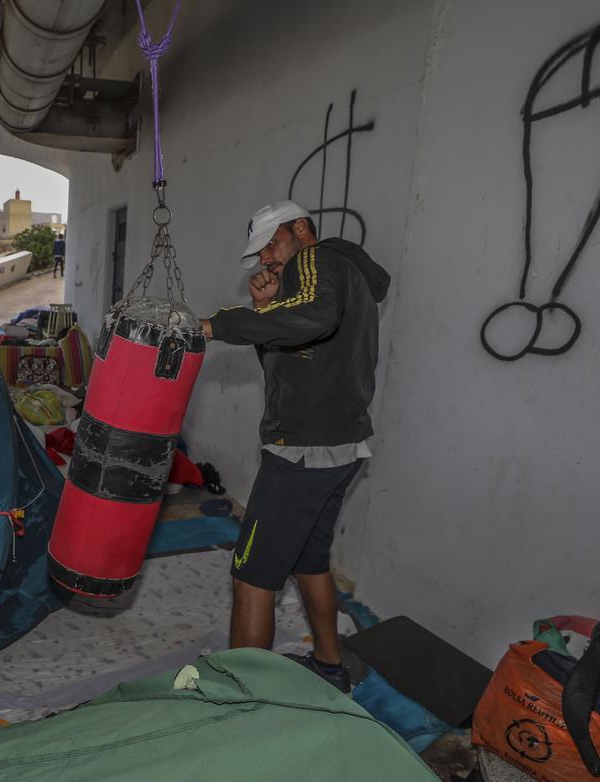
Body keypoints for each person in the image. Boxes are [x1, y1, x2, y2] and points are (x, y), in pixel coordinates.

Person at [199, 200, 389, 692]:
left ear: (301, 229)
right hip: (342, 446)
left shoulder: (316, 260)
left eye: (270, 245)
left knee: (252, 572)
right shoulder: (343, 273)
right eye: (259, 253)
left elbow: (317, 320)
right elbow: (299, 359)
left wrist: (218, 325)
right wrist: (268, 309)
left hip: (301, 452)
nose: (266, 259)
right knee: (309, 562)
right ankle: (330, 665)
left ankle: (241, 699)